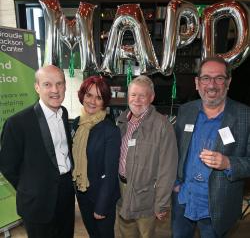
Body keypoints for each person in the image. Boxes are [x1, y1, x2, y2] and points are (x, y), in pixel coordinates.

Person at [172, 56, 250, 238]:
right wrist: (175, 182)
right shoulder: (186, 111)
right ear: (197, 83)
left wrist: (228, 163)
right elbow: (174, 150)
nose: (212, 85)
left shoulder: (245, 116)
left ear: (228, 82)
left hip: (217, 205)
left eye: (219, 78)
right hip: (184, 199)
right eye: (206, 78)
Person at [0, 65, 75, 238]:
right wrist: (31, 187)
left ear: (65, 86)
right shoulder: (17, 123)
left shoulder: (63, 113)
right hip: (37, 202)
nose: (55, 90)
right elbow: (7, 166)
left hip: (65, 195)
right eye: (47, 84)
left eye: (60, 84)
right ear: (37, 87)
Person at [117, 75, 178, 238]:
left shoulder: (163, 126)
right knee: (125, 234)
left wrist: (161, 203)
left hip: (147, 198)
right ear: (127, 97)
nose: (137, 100)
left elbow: (168, 169)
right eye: (133, 95)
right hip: (122, 192)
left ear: (151, 97)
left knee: (146, 234)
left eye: (142, 95)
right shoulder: (121, 121)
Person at [71, 76, 121, 238]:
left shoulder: (110, 130)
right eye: (89, 95)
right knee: (93, 235)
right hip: (83, 193)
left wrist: (102, 205)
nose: (92, 101)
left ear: (104, 101)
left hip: (102, 197)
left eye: (98, 97)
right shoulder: (78, 123)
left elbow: (111, 173)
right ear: (82, 96)